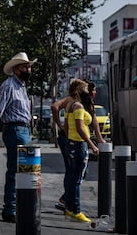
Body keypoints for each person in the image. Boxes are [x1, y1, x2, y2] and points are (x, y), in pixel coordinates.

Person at [0, 52, 37, 223]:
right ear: (16, 69)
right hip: (15, 130)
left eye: (29, 66)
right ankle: (10, 209)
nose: (28, 69)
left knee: (25, 170)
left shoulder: (21, 86)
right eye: (25, 66)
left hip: (23, 130)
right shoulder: (8, 86)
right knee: (16, 171)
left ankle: (20, 206)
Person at [51, 79, 105, 211]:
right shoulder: (73, 101)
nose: (94, 93)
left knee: (77, 172)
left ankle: (67, 199)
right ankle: (69, 203)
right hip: (71, 140)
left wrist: (100, 139)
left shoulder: (85, 103)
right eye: (90, 90)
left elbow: (94, 121)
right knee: (74, 172)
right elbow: (54, 106)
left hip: (73, 140)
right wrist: (60, 126)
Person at [63, 79, 99, 223]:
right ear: (78, 90)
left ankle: (69, 208)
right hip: (79, 144)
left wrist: (68, 139)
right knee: (77, 178)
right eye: (85, 88)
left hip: (73, 143)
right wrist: (92, 145)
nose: (87, 91)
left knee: (72, 177)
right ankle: (76, 210)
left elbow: (66, 126)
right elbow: (80, 128)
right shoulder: (78, 106)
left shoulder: (70, 105)